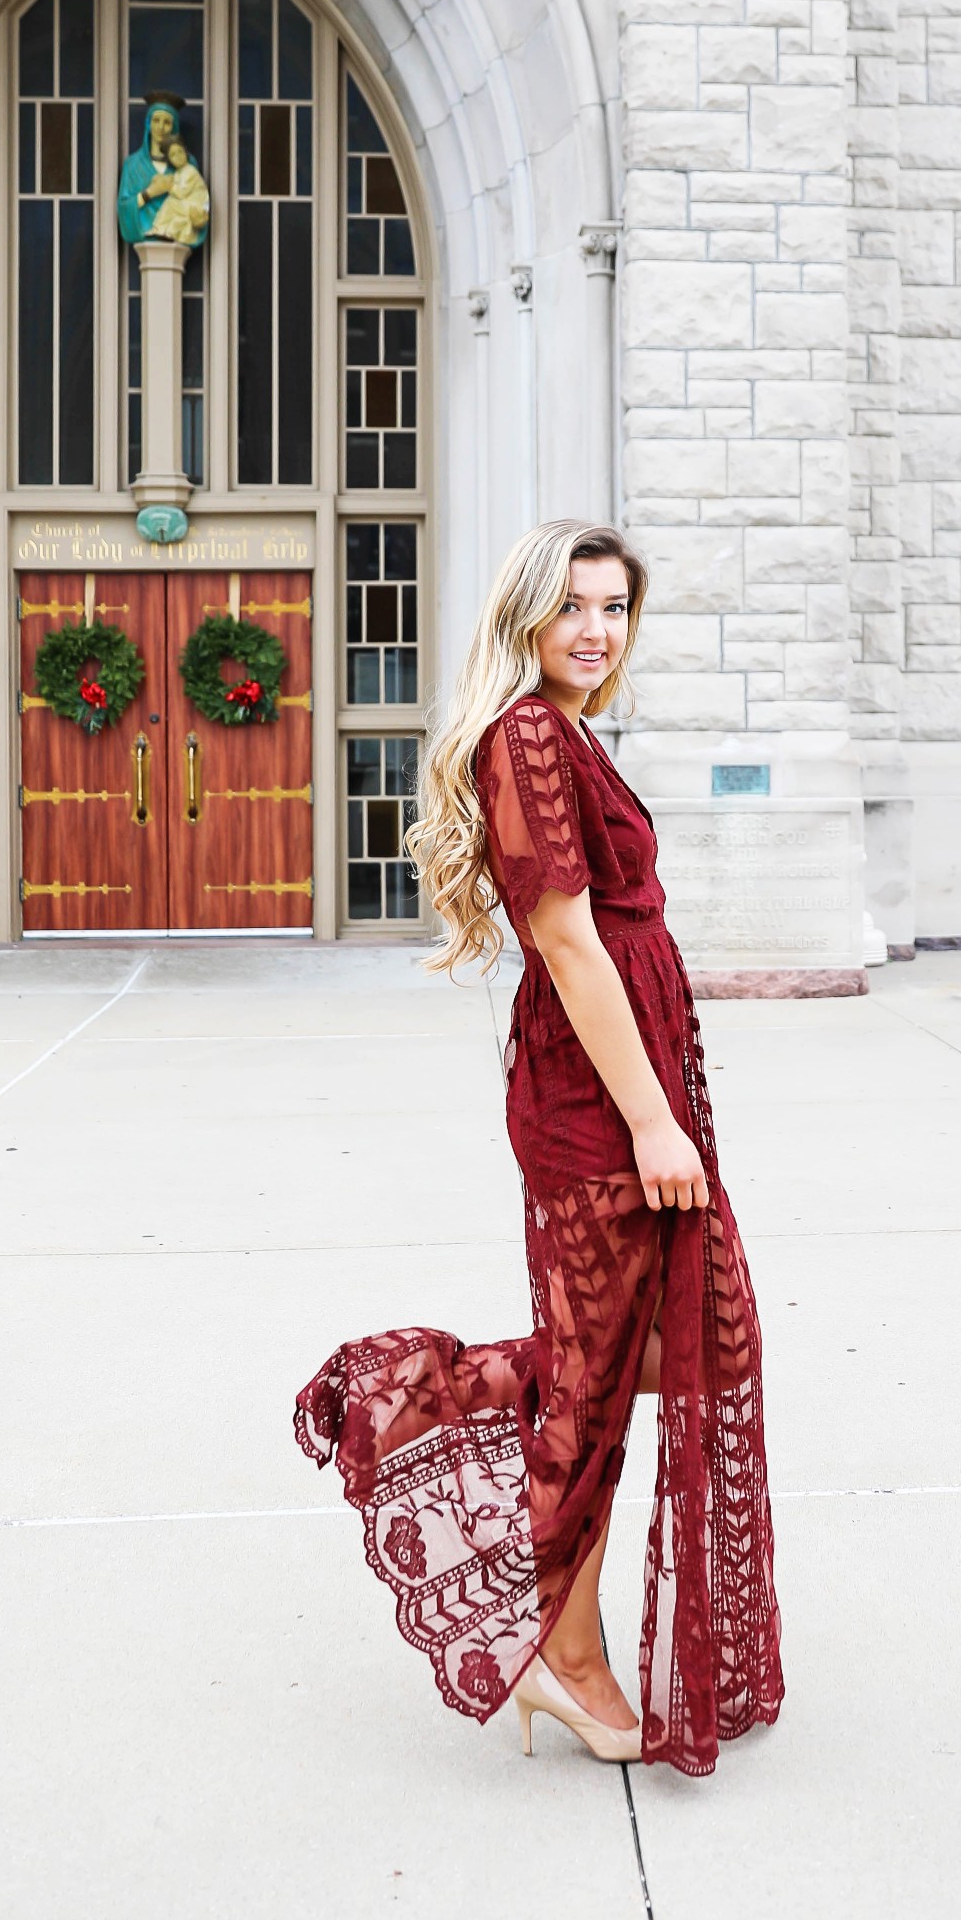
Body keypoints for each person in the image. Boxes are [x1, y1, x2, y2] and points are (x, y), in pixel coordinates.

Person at [294, 519, 783, 1775]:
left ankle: (477, 1477)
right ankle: (559, 1648)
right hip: (597, 1103)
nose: (596, 628)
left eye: (615, 608)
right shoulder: (525, 734)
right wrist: (653, 1117)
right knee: (624, 1365)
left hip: (626, 1084)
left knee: (650, 1351)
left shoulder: (565, 734)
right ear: (525, 613)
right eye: (573, 604)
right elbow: (567, 940)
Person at [115, 96, 211, 249]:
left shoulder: (187, 164)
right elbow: (124, 207)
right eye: (156, 120)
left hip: (180, 228)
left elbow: (199, 197)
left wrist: (200, 215)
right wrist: (150, 193)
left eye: (167, 122)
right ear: (148, 124)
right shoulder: (133, 165)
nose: (160, 127)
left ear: (174, 127)